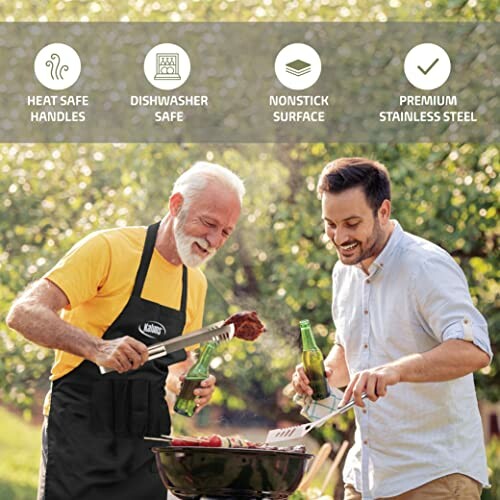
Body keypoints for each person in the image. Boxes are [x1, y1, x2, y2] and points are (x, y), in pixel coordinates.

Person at [7, 161, 255, 500]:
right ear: (176, 205)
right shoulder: (109, 248)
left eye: (226, 231)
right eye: (208, 223)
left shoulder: (194, 282)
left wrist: (186, 385)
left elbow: (175, 368)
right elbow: (23, 313)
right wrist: (97, 348)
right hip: (80, 438)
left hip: (145, 451)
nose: (214, 240)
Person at [292, 157, 492, 500]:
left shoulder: (425, 265)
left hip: (433, 476)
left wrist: (395, 371)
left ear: (383, 211)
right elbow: (349, 350)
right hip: (366, 477)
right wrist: (321, 375)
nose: (340, 237)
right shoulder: (344, 273)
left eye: (352, 223)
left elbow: (475, 350)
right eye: (330, 224)